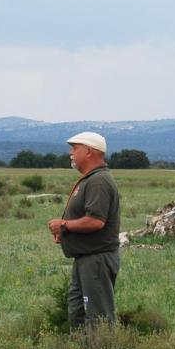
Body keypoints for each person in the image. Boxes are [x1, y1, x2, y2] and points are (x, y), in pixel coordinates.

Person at [48, 131, 121, 329]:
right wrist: (66, 233)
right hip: (86, 259)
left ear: (89, 151)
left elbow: (96, 221)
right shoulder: (91, 179)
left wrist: (64, 225)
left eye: (75, 148)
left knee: (98, 318)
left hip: (96, 259)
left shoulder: (99, 181)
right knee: (79, 314)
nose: (71, 153)